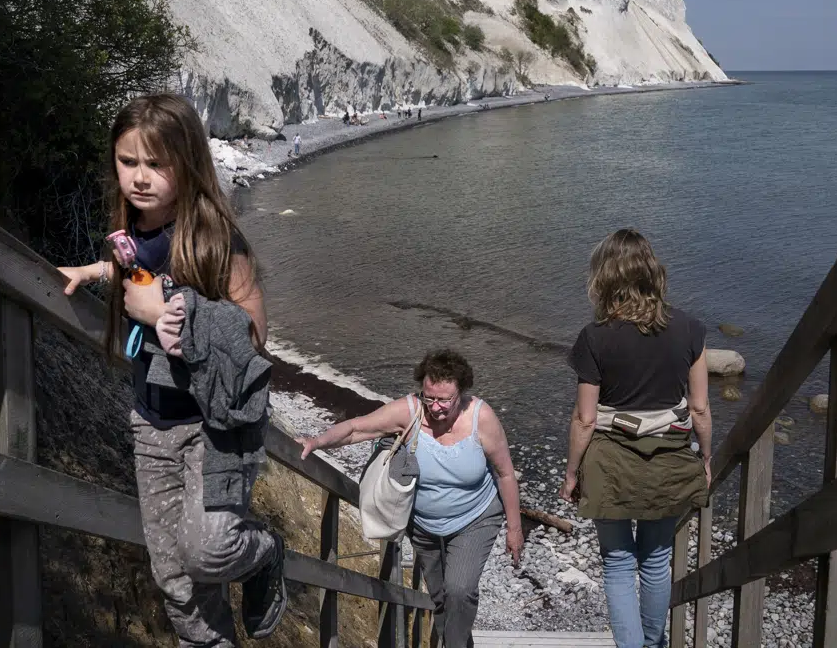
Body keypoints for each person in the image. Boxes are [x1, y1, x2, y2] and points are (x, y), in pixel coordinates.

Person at [56, 94, 286, 643]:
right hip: (152, 423)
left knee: (206, 550)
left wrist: (168, 315)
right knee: (175, 581)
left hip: (215, 428)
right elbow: (134, 268)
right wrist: (92, 271)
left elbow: (254, 338)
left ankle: (265, 552)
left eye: (156, 164)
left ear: (188, 163)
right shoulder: (133, 232)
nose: (140, 178)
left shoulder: (218, 242)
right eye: (128, 162)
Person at [296, 349, 524, 648]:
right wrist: (316, 442)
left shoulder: (481, 417)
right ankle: (457, 640)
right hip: (423, 524)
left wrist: (515, 529)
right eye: (430, 398)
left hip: (475, 518)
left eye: (445, 400)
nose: (437, 407)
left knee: (460, 589)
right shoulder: (410, 411)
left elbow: (505, 474)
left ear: (462, 393)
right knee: (440, 597)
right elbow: (355, 429)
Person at [559, 229, 711, 648]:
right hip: (668, 455)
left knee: (618, 563)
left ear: (604, 276)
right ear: (652, 271)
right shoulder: (691, 329)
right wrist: (707, 457)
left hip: (608, 459)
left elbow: (585, 419)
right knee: (657, 560)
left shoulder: (595, 337)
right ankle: (651, 642)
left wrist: (571, 474)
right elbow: (698, 408)